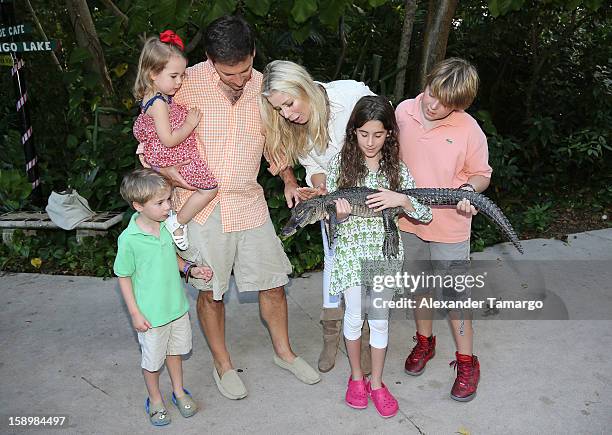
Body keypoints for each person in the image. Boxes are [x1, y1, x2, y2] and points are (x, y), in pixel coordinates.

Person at [147, 15, 320, 400]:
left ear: (253, 55)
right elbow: (150, 141)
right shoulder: (183, 84)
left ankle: (285, 353)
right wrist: (171, 177)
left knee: (274, 282)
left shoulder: (265, 88)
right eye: (230, 74)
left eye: (244, 70)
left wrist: (290, 180)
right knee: (211, 291)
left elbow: (276, 145)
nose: (240, 79)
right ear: (209, 59)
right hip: (200, 207)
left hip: (249, 202)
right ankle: (223, 363)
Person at [259, 59, 375, 373]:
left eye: (289, 103)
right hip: (334, 205)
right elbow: (314, 168)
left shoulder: (350, 95)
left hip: (368, 200)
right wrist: (321, 187)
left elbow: (382, 136)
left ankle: (364, 338)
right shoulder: (294, 127)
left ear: (303, 85)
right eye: (279, 109)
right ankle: (331, 334)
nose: (287, 114)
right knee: (335, 263)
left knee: (365, 272)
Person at [393, 57, 492, 402]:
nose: (433, 105)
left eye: (446, 103)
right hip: (407, 222)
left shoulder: (469, 130)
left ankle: (467, 362)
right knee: (419, 288)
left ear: (460, 104)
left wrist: (469, 191)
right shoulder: (403, 111)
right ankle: (425, 343)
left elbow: (482, 174)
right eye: (432, 93)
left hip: (451, 226)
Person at [327, 96, 432, 418]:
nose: (370, 142)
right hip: (350, 253)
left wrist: (401, 199)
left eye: (378, 134)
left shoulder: (397, 170)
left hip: (385, 254)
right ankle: (357, 377)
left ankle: (377, 382)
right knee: (355, 316)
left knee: (380, 319)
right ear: (353, 132)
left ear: (389, 134)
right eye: (363, 134)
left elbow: (425, 215)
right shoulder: (339, 167)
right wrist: (339, 215)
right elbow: (329, 216)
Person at [113, 168, 213, 426]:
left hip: (176, 308)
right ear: (138, 206)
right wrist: (135, 313)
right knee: (152, 360)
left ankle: (179, 392)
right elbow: (123, 276)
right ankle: (155, 399)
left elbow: (173, 259)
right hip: (151, 315)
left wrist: (190, 268)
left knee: (175, 352)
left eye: (168, 200)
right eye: (160, 203)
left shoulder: (167, 228)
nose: (168, 206)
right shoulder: (129, 240)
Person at [133, 30, 218, 250]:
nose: (179, 82)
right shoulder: (159, 104)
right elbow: (169, 139)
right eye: (174, 76)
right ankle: (177, 222)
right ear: (152, 73)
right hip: (175, 154)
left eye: (182, 75)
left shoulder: (154, 96)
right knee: (209, 188)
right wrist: (190, 124)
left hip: (165, 156)